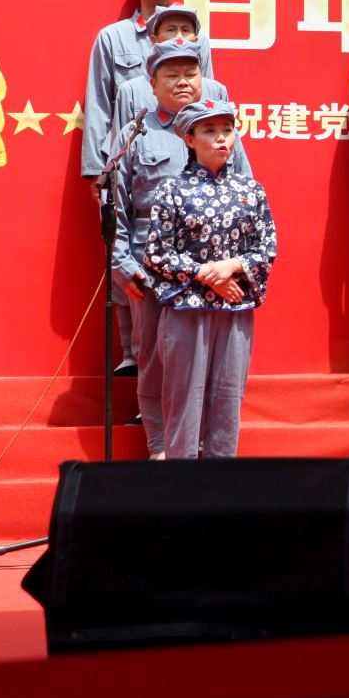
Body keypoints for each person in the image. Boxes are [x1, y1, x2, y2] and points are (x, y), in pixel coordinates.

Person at [112, 37, 251, 459]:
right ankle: (160, 445)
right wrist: (122, 263)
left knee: (212, 362)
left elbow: (246, 197)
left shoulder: (220, 131)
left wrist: (234, 265)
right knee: (157, 356)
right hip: (151, 265)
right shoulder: (136, 133)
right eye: (171, 75)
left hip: (214, 267)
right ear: (152, 84)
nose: (183, 81)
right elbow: (116, 205)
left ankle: (208, 446)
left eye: (191, 73)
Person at [84, 0, 213, 377]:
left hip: (183, 168)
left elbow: (207, 102)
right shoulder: (113, 39)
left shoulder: (197, 37)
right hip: (132, 163)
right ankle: (130, 351)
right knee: (126, 253)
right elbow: (100, 108)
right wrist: (98, 170)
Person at [142, 99, 276, 459]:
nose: (221, 139)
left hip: (234, 308)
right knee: (184, 398)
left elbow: (267, 248)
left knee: (227, 399)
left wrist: (232, 265)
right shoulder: (172, 190)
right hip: (187, 310)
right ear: (189, 139)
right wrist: (204, 274)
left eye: (227, 130)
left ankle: (220, 483)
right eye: (210, 131)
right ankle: (182, 482)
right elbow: (156, 252)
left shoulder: (251, 190)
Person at [109, 5, 230, 141]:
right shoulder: (131, 91)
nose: (178, 37)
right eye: (171, 30)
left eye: (185, 30)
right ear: (154, 40)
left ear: (196, 41)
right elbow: (122, 148)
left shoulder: (216, 91)